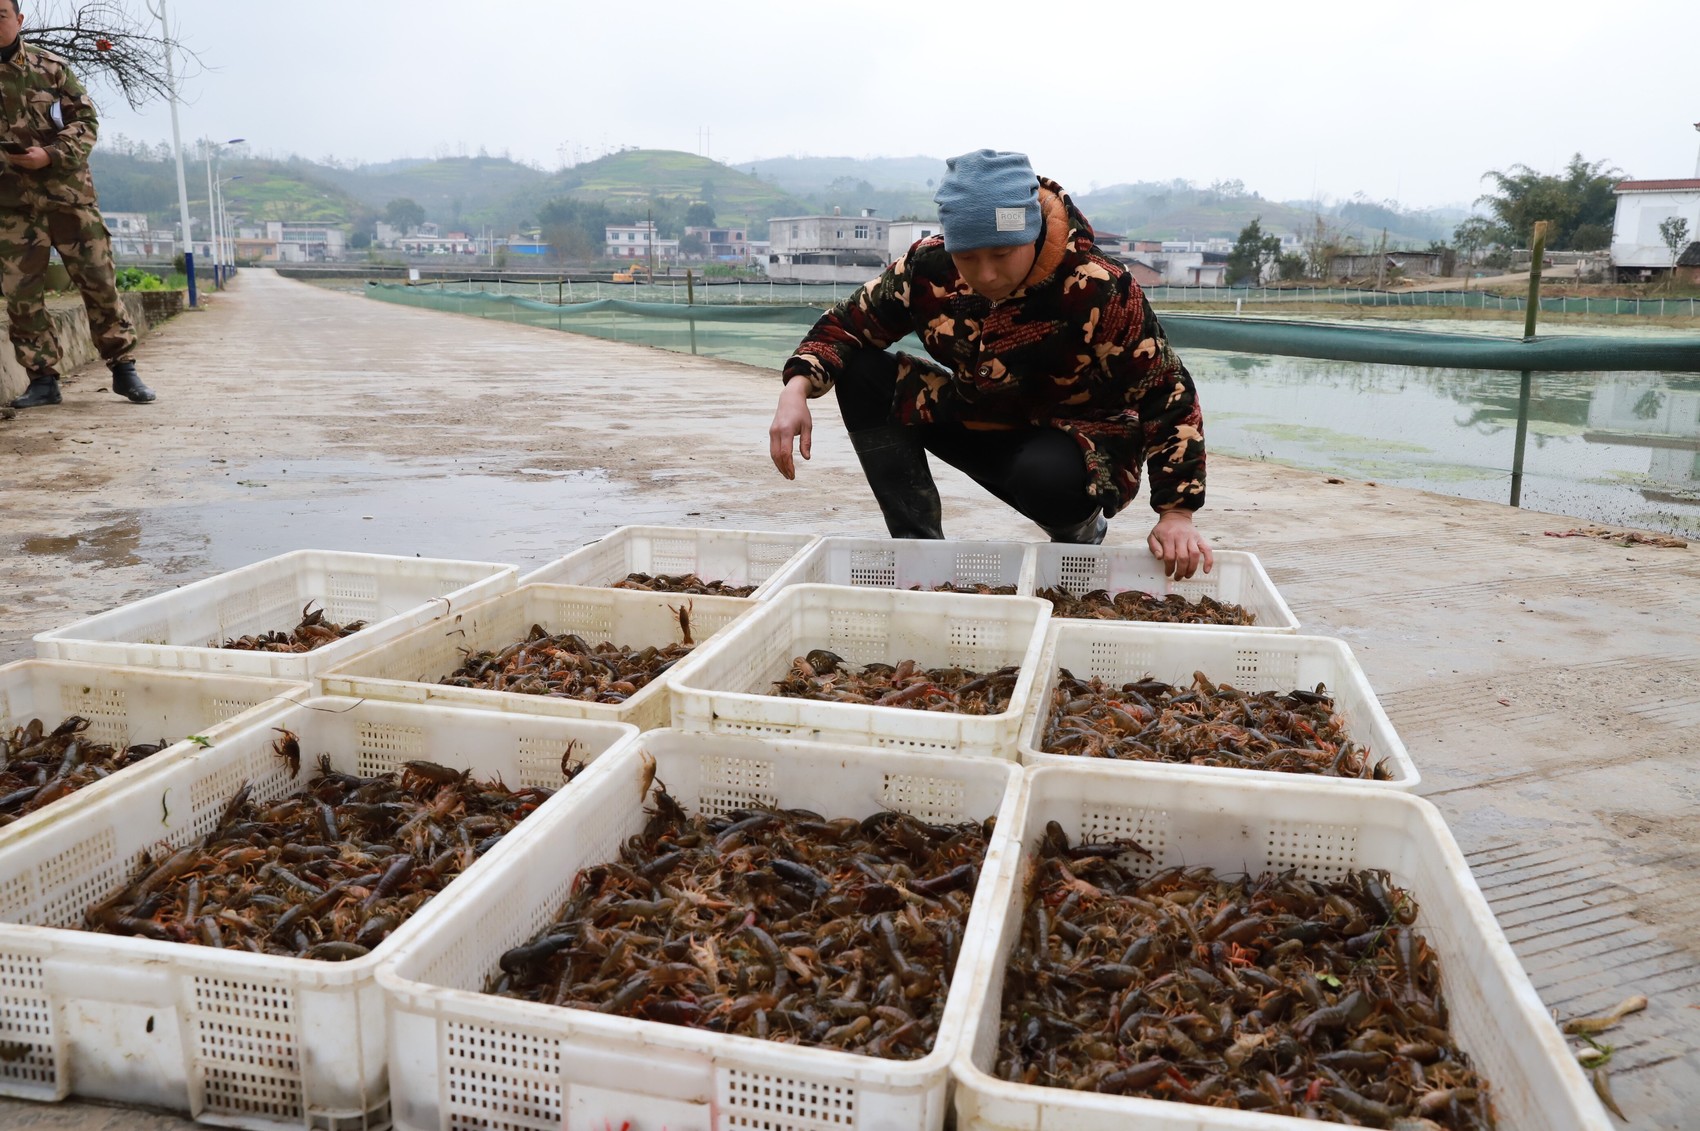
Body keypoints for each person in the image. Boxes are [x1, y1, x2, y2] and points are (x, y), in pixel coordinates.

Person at [768, 149, 1210, 578]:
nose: (986, 274)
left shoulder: (1100, 287)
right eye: (968, 257)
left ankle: (1079, 531)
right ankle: (917, 550)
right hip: (976, 415)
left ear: (1031, 234)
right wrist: (796, 387)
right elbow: (846, 324)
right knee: (861, 372)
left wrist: (1177, 513)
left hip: (1072, 442)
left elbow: (1167, 392)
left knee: (1044, 477)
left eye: (1001, 254)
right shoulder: (928, 267)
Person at [0, 0, 154, 410]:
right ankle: (42, 379)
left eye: (0, 15)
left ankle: (124, 368)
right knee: (21, 296)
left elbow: (86, 123)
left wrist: (50, 155)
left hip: (69, 198)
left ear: (19, 20)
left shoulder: (51, 67)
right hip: (12, 206)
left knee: (99, 282)